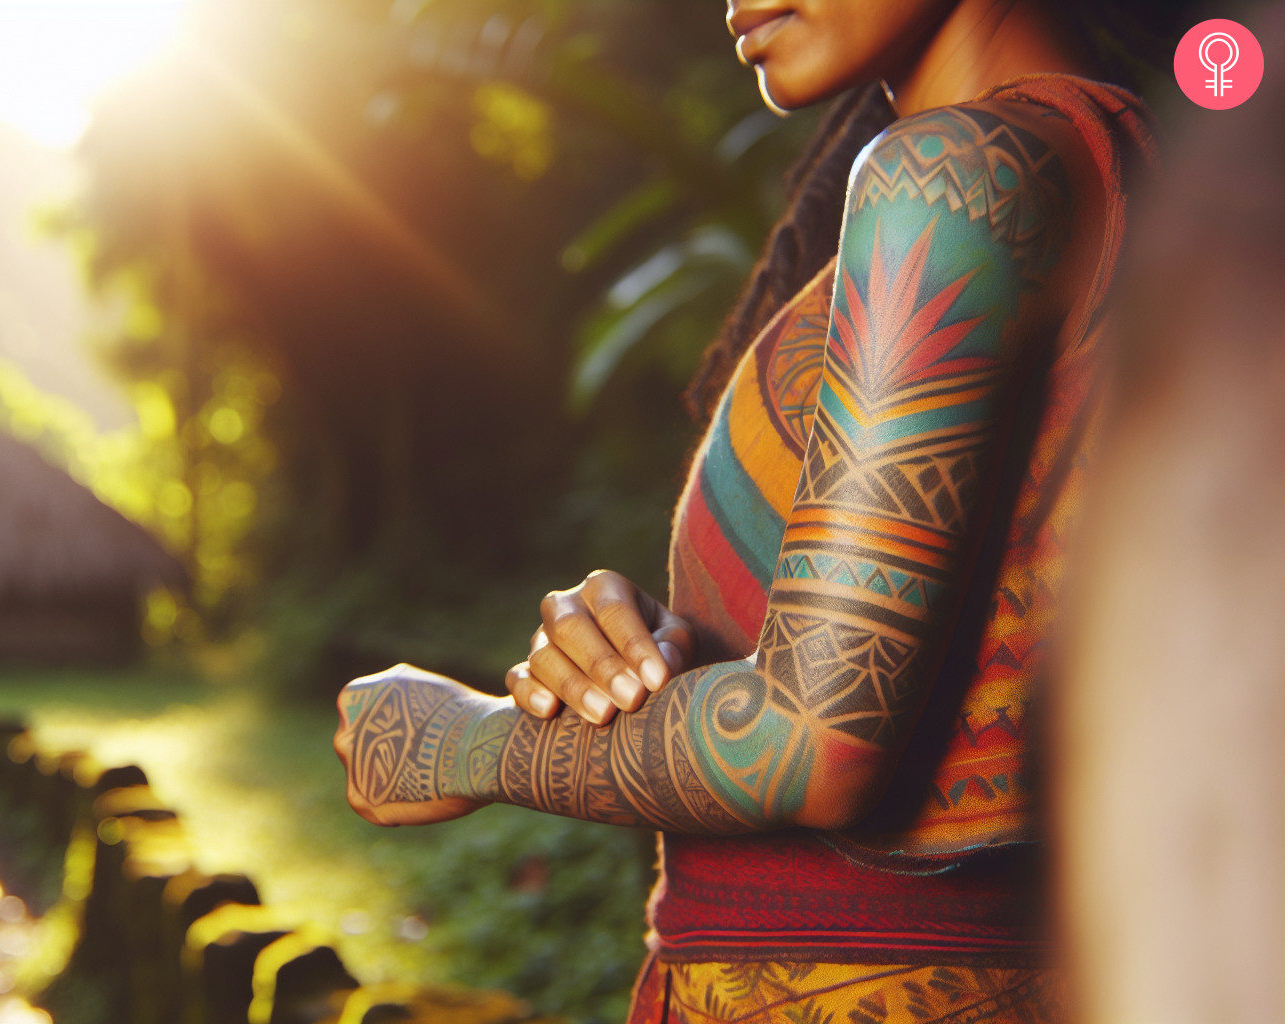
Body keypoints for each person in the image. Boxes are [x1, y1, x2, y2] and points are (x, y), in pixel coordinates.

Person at [333, 0, 1178, 1020]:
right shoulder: (1128, 170)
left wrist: (461, 737)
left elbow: (817, 743)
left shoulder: (956, 175)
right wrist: (658, 659)